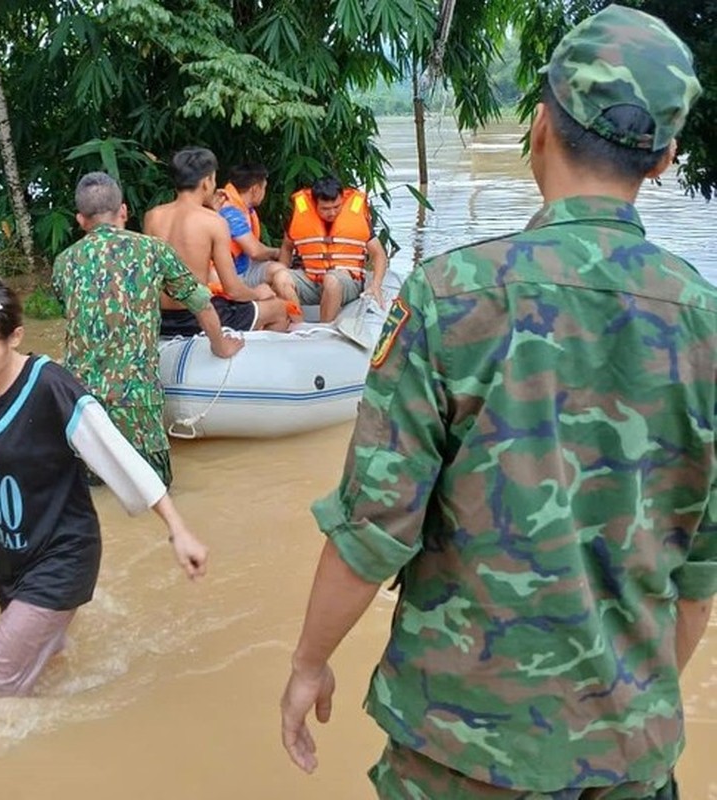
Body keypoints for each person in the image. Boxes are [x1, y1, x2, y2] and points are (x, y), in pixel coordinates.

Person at [280, 6, 714, 799]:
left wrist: (309, 664)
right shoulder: (706, 324)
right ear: (665, 159)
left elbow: (374, 529)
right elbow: (697, 578)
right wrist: (622, 716)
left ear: (539, 124)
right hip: (628, 758)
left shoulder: (452, 297)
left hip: (459, 753)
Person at [0, 278, 210, 700]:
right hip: (8, 554)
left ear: (15, 337)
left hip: (61, 557)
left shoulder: (50, 388)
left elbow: (120, 456)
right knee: (46, 662)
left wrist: (178, 529)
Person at [52, 171, 243, 487]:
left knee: (92, 493)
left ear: (80, 220)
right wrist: (221, 346)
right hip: (138, 405)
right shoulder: (153, 251)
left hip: (81, 405)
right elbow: (201, 303)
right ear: (124, 211)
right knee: (155, 492)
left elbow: (73, 317)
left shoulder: (63, 263)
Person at [144, 147, 291, 335]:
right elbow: (233, 290)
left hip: (160, 317)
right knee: (279, 309)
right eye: (213, 179)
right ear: (206, 182)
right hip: (197, 318)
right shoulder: (215, 222)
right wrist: (258, 293)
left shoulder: (153, 216)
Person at [279, 175, 388, 322]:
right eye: (325, 209)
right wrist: (282, 269)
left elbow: (379, 254)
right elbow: (286, 247)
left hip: (346, 282)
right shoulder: (301, 215)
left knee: (331, 280)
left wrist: (376, 284)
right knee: (280, 277)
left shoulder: (356, 216)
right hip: (312, 280)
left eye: (336, 207)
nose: (331, 213)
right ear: (314, 203)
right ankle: (299, 326)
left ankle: (325, 329)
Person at [217, 163, 298, 305]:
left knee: (280, 272)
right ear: (255, 189)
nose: (264, 193)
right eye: (264, 188)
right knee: (280, 273)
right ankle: (287, 318)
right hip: (231, 276)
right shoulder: (229, 211)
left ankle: (296, 320)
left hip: (245, 268)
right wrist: (277, 252)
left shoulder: (244, 207)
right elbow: (255, 251)